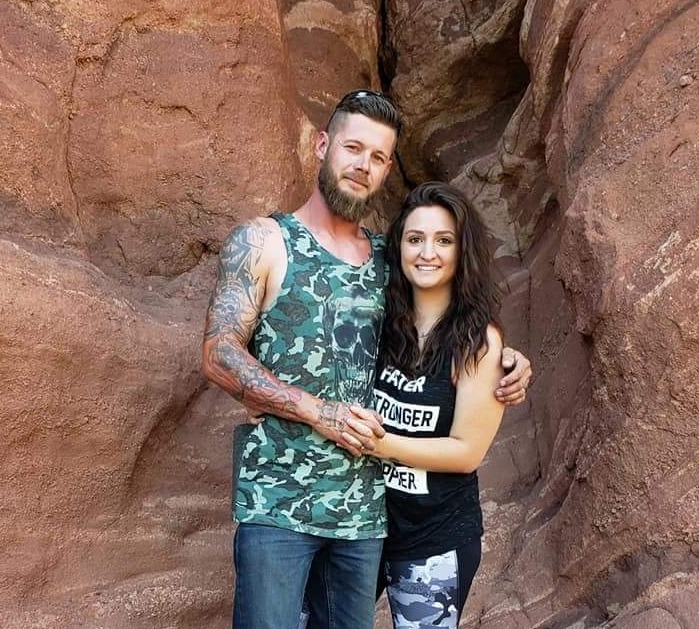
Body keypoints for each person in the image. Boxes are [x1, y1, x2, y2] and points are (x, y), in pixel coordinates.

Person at [201, 90, 531, 629]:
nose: (363, 165)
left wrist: (504, 358)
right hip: (278, 501)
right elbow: (219, 353)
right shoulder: (264, 242)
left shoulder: (388, 261)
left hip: (363, 515)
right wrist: (313, 410)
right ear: (322, 145)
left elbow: (445, 312)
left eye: (378, 157)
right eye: (353, 148)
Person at [354, 181, 508, 628]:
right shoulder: (378, 321)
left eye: (444, 241)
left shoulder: (478, 341)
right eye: (415, 239)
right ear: (398, 246)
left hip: (435, 536)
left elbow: (466, 453)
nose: (427, 253)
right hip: (360, 527)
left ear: (463, 251)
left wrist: (379, 444)